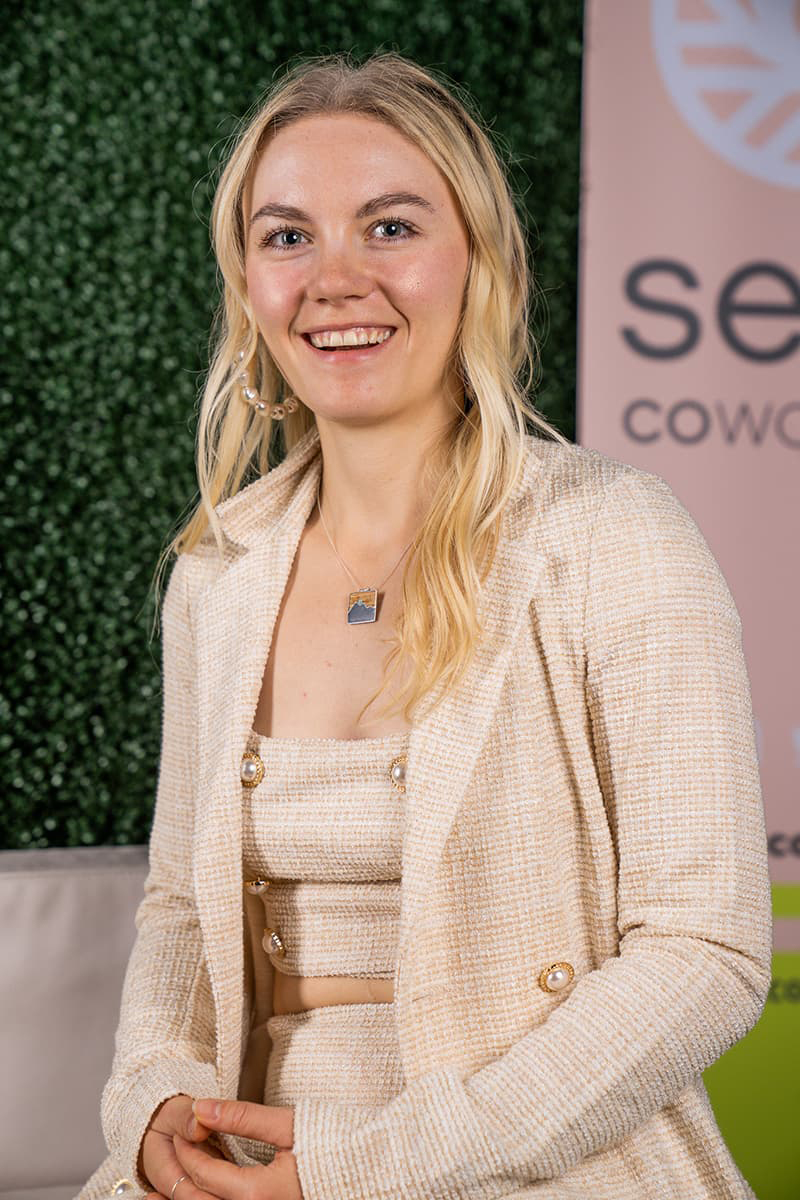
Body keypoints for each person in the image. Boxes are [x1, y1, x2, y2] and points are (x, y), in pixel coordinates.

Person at [76, 50, 771, 1200]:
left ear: (478, 262)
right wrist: (152, 1096)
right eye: (286, 236)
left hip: (536, 1156)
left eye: (389, 226)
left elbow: (703, 954)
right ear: (246, 281)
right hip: (235, 1163)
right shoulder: (219, 570)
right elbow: (179, 910)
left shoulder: (613, 535)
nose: (334, 279)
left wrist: (367, 1164)